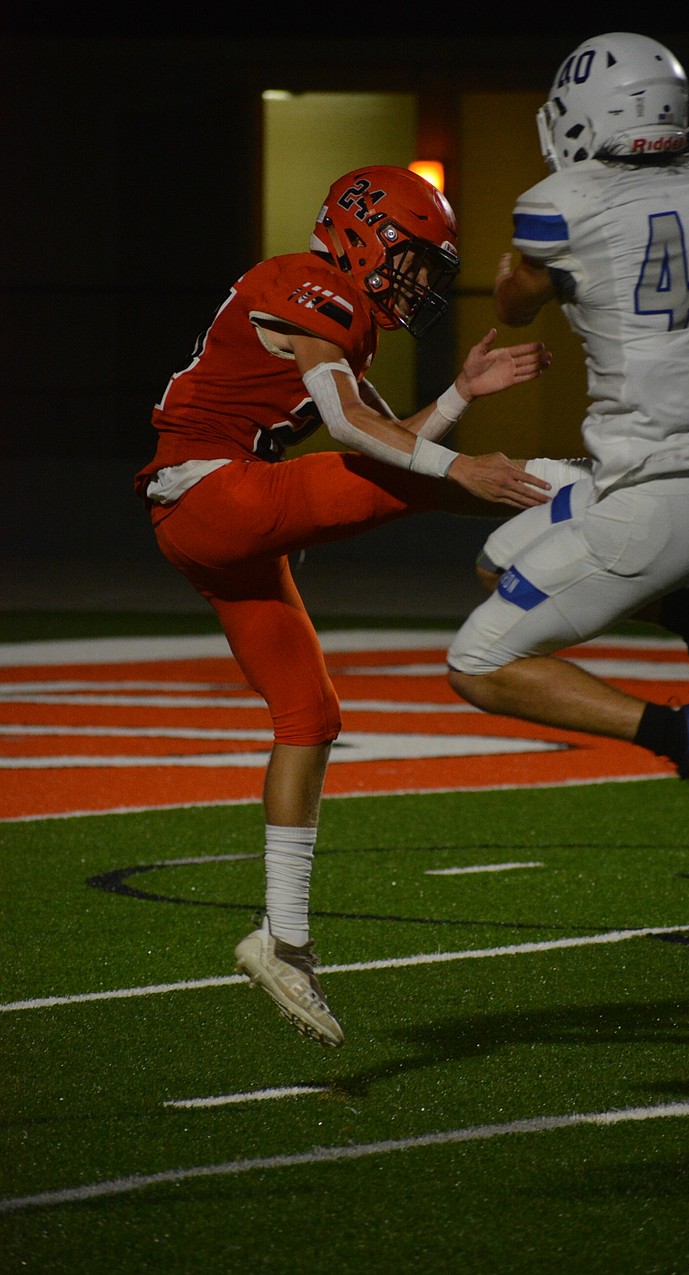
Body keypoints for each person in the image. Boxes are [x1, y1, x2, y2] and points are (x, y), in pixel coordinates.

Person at [134, 165, 552, 1048]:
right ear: (364, 236)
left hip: (213, 516)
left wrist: (462, 397)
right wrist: (466, 468)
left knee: (311, 714)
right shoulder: (308, 280)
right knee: (435, 489)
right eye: (415, 258)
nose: (422, 282)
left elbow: (384, 438)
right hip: (216, 493)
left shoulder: (338, 315)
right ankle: (588, 495)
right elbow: (358, 429)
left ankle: (283, 940)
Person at [447, 32, 689, 859]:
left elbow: (514, 300)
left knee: (476, 663)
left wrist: (526, 259)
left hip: (657, 504)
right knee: (497, 554)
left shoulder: (568, 202)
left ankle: (679, 735)